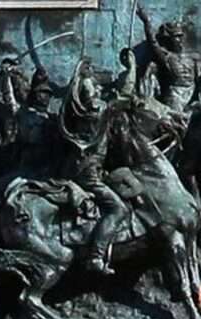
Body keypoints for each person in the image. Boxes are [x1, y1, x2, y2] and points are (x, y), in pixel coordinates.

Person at [60, 61, 126, 276]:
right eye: (95, 87)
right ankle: (96, 256)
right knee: (119, 209)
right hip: (88, 175)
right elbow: (125, 95)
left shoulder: (78, 113)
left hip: (83, 169)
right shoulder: (97, 111)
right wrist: (132, 70)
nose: (99, 89)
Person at [136, 7, 201, 112]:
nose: (179, 40)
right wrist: (146, 22)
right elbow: (153, 43)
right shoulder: (167, 57)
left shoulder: (193, 57)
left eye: (180, 36)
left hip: (192, 94)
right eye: (175, 37)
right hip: (175, 96)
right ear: (169, 39)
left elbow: (200, 80)